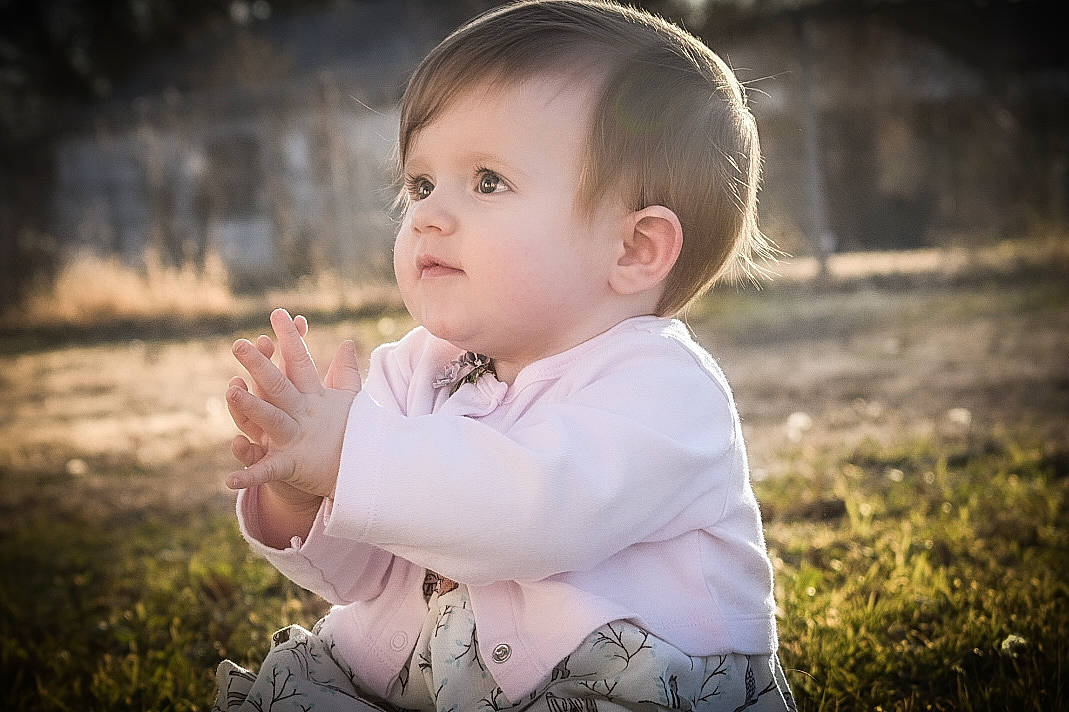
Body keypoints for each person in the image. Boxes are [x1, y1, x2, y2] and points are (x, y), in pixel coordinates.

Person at [213, 1, 795, 710]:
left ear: (633, 248)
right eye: (420, 184)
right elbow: (359, 573)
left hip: (621, 686)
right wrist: (303, 491)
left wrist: (349, 456)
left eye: (488, 182)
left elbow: (532, 515)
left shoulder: (664, 391)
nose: (428, 215)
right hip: (419, 679)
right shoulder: (412, 369)